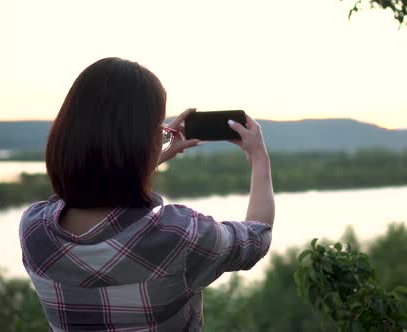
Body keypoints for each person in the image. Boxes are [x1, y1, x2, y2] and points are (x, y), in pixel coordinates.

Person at [19, 57, 274, 331]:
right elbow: (258, 236)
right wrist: (258, 156)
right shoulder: (178, 235)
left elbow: (91, 184)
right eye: (158, 130)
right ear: (143, 142)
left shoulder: (34, 231)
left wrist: (156, 150)